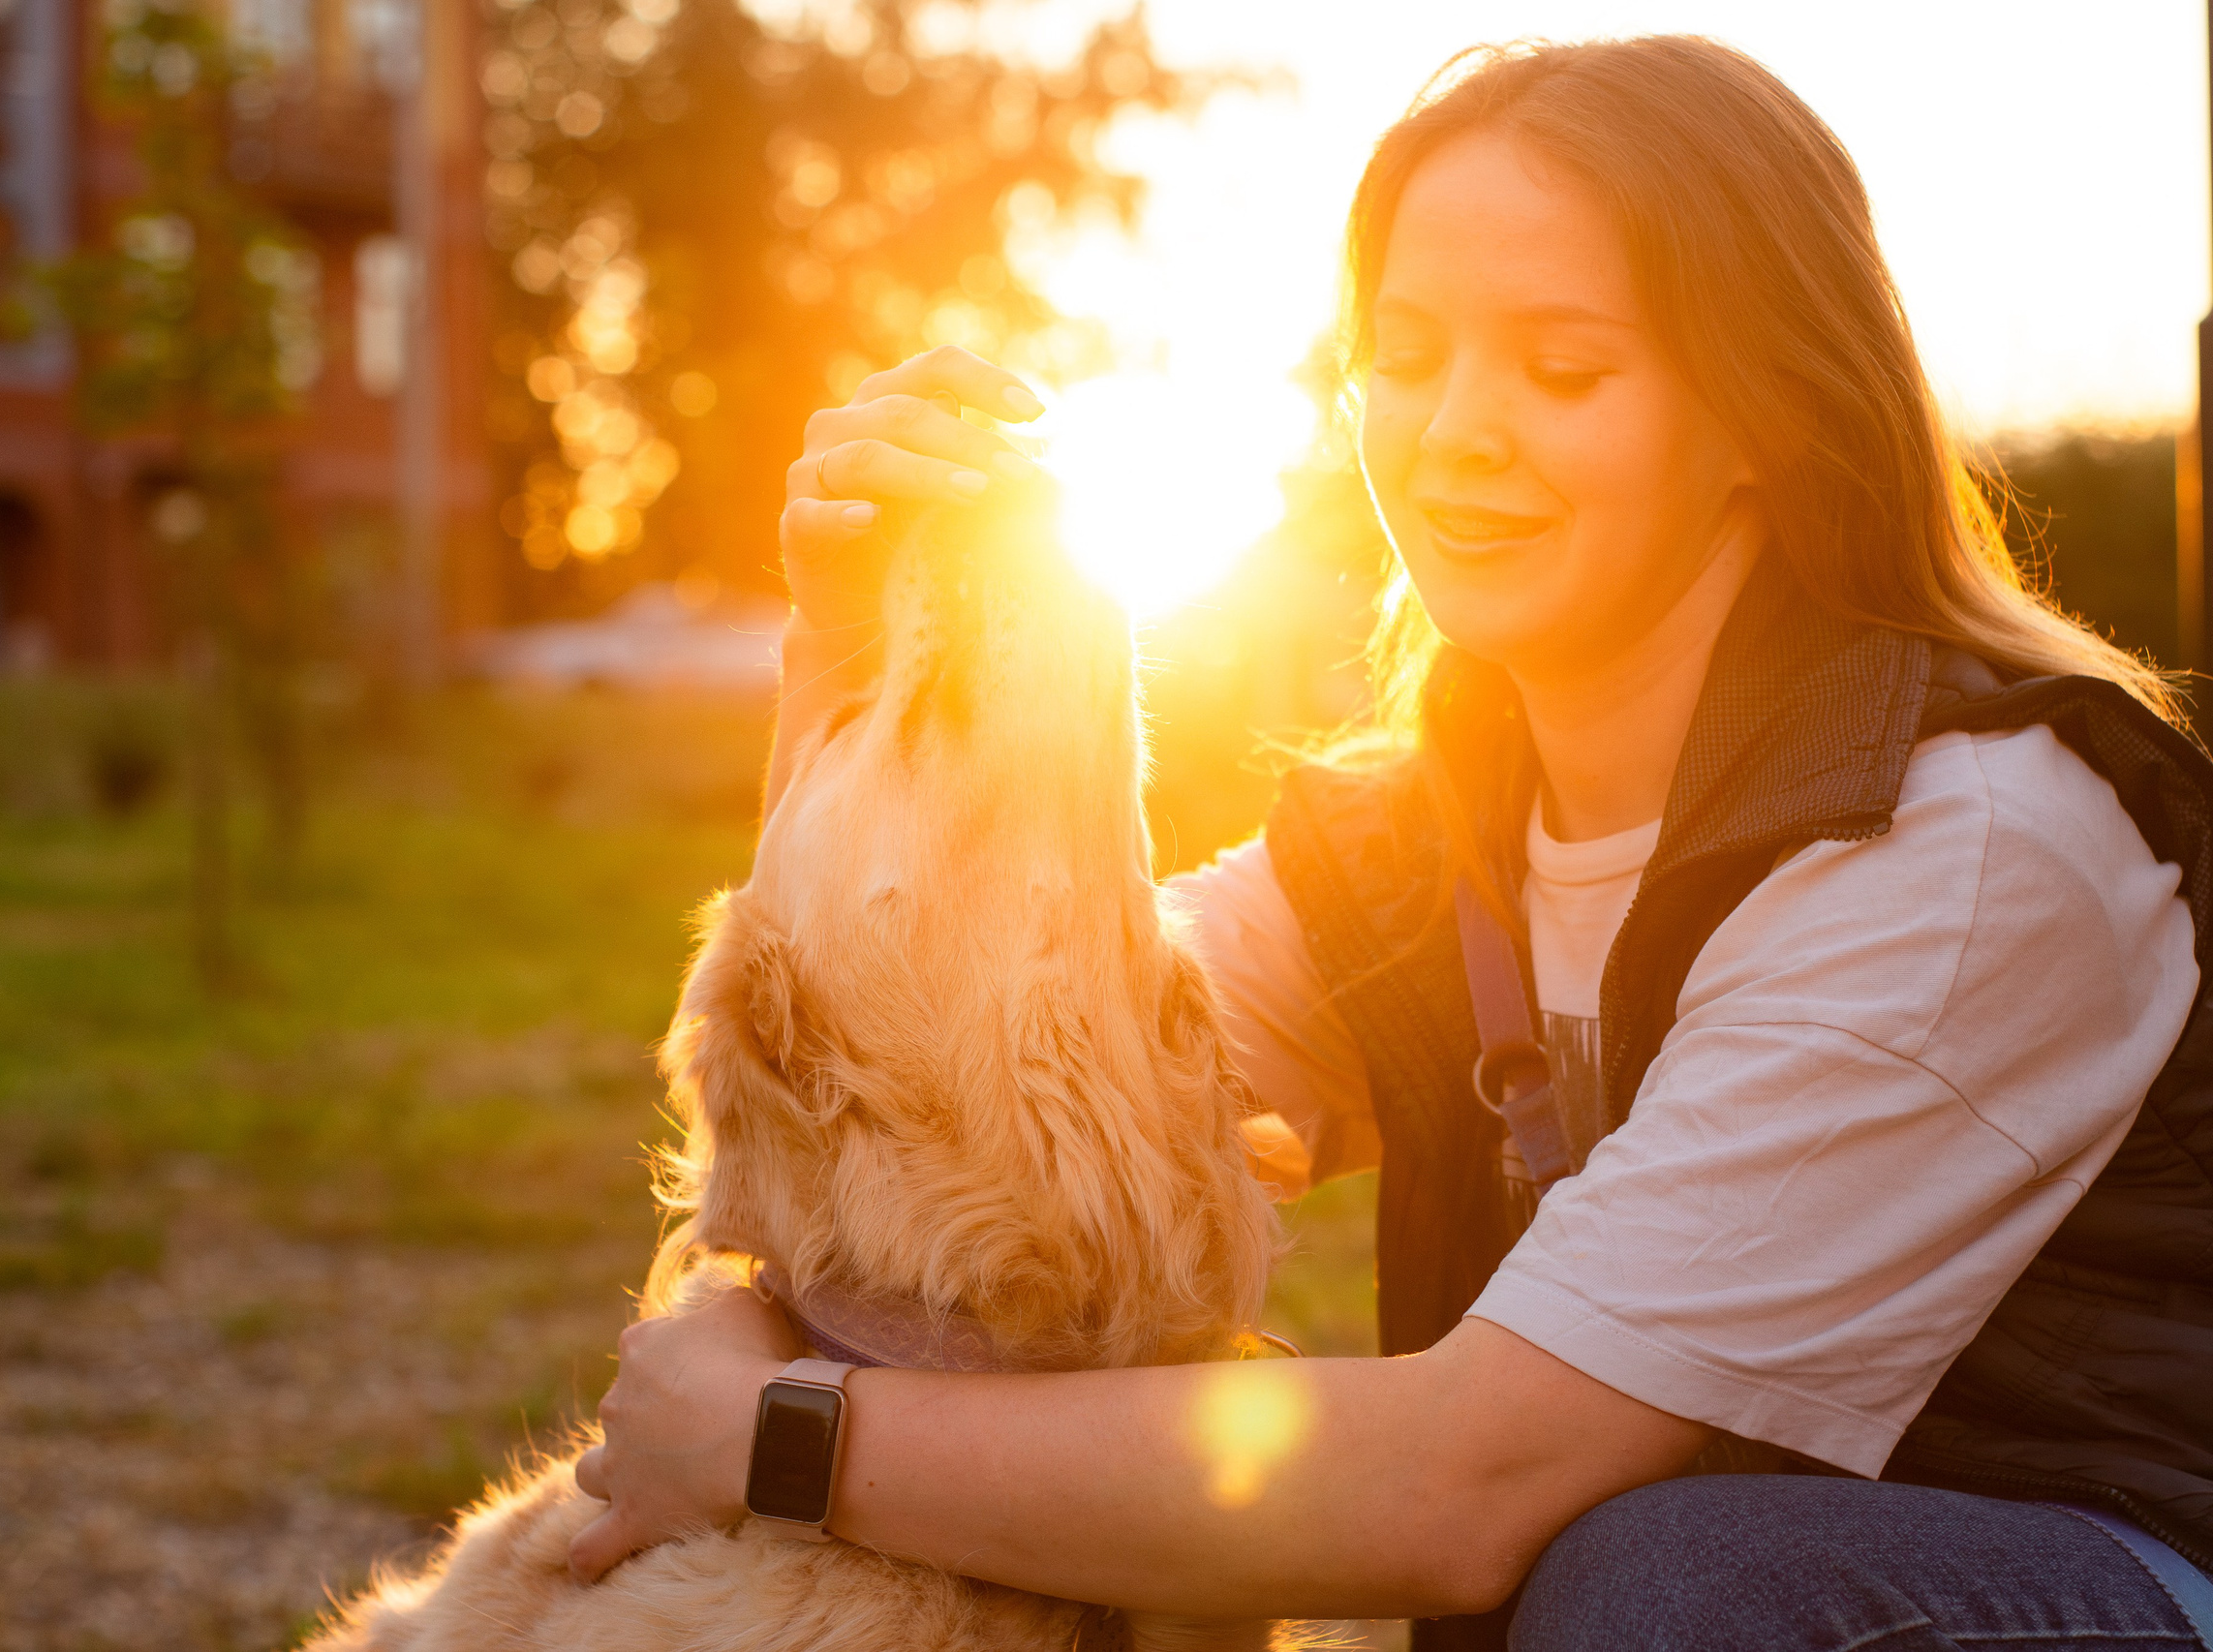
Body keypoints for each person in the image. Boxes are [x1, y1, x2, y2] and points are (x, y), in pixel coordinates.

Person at [568, 36, 2213, 1650]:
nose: (1452, 433)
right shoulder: (1411, 844)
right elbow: (964, 1108)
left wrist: (787, 1433)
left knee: (1673, 1587)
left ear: (1767, 411)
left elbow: (1462, 1485)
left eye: (1562, 368)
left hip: (2102, 1578)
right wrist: (847, 654)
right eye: (1407, 354)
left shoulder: (1961, 843)